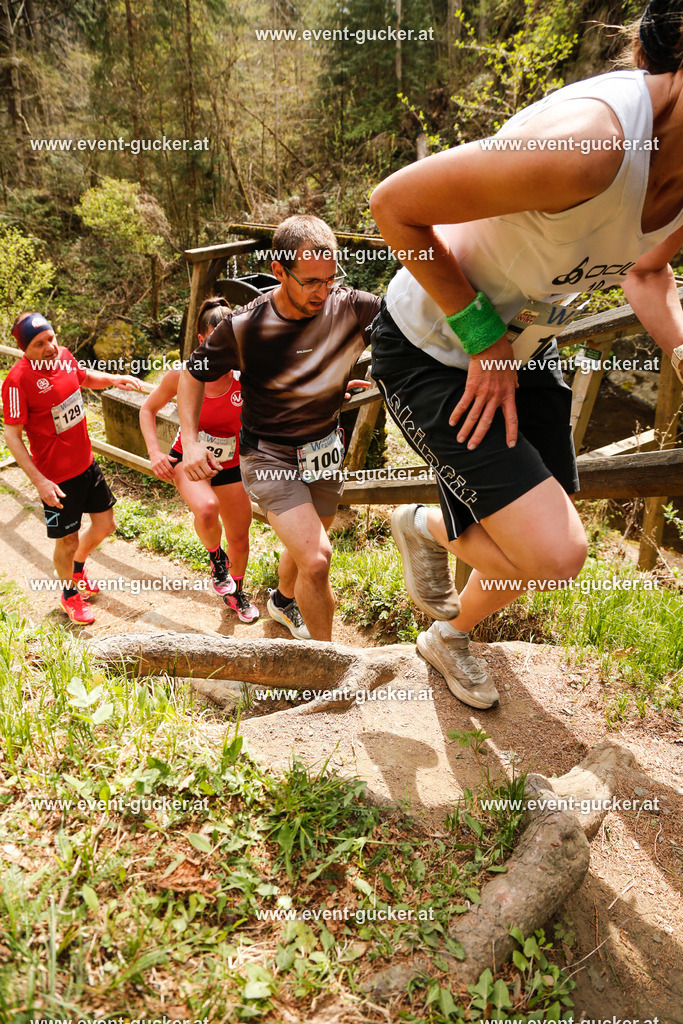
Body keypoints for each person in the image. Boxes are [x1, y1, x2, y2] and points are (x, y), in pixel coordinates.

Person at [369, 0, 683, 710]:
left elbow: (645, 270)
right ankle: (421, 522)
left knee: (541, 527)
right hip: (434, 341)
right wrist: (483, 339)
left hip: (528, 347)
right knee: (554, 552)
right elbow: (393, 206)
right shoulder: (590, 144)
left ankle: (448, 637)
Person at [177, 215, 379, 641]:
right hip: (268, 454)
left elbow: (412, 327)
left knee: (307, 544)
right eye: (310, 282)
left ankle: (283, 602)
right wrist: (190, 442)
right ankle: (330, 671)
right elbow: (192, 374)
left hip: (324, 445)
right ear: (279, 272)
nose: (323, 293)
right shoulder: (244, 327)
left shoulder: (352, 307)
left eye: (330, 279)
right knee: (318, 558)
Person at [2, 312, 143, 624]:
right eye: (39, 344)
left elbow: (84, 377)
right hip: (56, 478)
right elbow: (11, 435)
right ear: (25, 347)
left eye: (51, 337)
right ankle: (69, 594)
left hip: (87, 464)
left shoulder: (64, 355)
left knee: (106, 525)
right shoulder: (16, 382)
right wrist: (39, 481)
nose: (50, 347)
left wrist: (112, 379)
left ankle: (78, 567)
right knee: (68, 540)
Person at [139, 297, 259, 623]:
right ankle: (215, 558)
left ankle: (235, 591)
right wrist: (155, 454)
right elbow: (147, 409)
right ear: (202, 340)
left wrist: (333, 389)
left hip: (230, 465)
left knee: (240, 536)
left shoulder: (245, 376)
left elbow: (287, 389)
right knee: (207, 509)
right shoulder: (182, 375)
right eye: (214, 339)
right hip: (187, 460)